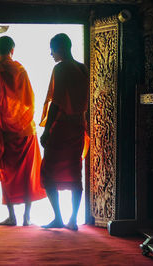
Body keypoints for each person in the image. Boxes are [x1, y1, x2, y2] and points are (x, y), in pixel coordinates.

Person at [0, 36, 46, 226]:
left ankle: (12, 216)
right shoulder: (20, 71)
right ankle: (27, 217)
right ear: (12, 51)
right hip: (25, 130)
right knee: (28, 175)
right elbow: (29, 101)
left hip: (2, 131)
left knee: (6, 173)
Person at [40, 33, 89, 231]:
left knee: (48, 171)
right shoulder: (82, 68)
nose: (51, 54)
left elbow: (57, 102)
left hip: (61, 127)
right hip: (78, 126)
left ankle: (59, 217)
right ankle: (73, 220)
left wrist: (47, 131)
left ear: (59, 48)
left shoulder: (61, 68)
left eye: (52, 49)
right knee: (75, 171)